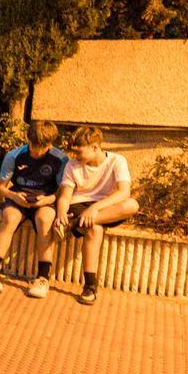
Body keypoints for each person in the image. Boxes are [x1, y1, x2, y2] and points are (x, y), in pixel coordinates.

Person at [53, 125, 140, 307]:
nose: (76, 156)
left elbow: (124, 193)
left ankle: (74, 225)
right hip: (80, 204)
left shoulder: (117, 160)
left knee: (133, 204)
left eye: (79, 152)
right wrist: (61, 212)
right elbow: (66, 195)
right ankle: (90, 287)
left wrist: (95, 209)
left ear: (94, 147)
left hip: (105, 206)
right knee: (94, 228)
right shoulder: (72, 164)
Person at [0, 121, 67, 299]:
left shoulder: (60, 159)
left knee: (44, 220)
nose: (37, 151)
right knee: (9, 218)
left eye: (43, 147)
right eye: (34, 145)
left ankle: (42, 278)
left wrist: (48, 199)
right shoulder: (14, 156)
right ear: (27, 139)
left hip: (45, 199)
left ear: (51, 144)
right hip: (18, 197)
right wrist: (13, 197)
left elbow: (62, 191)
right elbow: (1, 187)